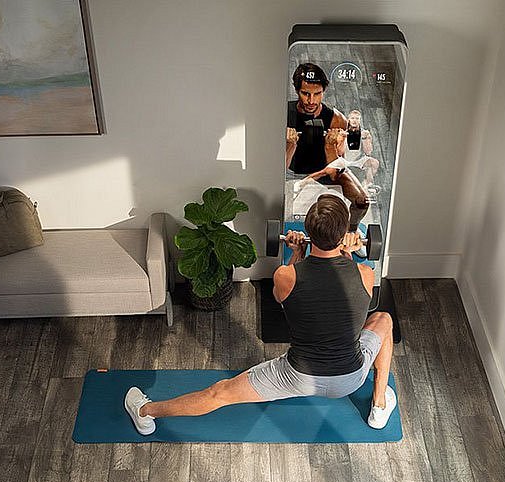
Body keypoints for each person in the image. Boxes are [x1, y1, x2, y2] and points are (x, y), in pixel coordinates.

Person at [124, 195, 396, 436]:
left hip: (297, 377)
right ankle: (379, 406)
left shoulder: (286, 275)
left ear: (308, 230)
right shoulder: (364, 274)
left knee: (219, 393)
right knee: (383, 320)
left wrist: (296, 254)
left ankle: (145, 412)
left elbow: (281, 297)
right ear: (343, 233)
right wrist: (347, 252)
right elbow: (345, 285)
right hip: (349, 378)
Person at [286, 63, 349, 175]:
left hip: (322, 178)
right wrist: (290, 145)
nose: (311, 101)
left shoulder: (337, 120)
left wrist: (330, 146)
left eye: (317, 94)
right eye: (305, 94)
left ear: (323, 91)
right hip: (288, 176)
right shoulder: (282, 113)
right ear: (297, 91)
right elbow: (275, 171)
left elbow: (336, 175)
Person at [343, 109, 380, 189]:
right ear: (348, 119)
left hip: (359, 160)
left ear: (360, 120)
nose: (354, 120)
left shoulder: (365, 133)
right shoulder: (343, 132)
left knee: (374, 163)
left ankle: (367, 185)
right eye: (352, 118)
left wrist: (364, 138)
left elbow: (368, 152)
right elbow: (338, 151)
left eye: (357, 118)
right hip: (344, 160)